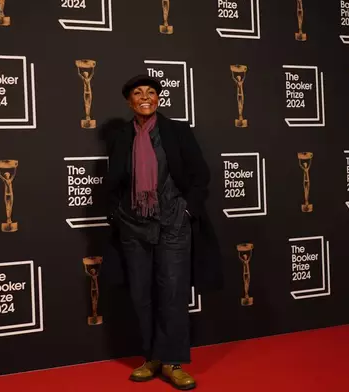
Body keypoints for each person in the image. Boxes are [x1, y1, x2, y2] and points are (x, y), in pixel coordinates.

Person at [104, 75, 222, 390]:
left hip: (173, 224)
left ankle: (172, 362)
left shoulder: (177, 131)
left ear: (158, 99)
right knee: (142, 295)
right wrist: (117, 214)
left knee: (172, 293)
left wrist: (186, 212)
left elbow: (201, 175)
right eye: (138, 93)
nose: (145, 97)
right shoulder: (120, 137)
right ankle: (152, 357)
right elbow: (113, 181)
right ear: (129, 101)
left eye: (151, 92)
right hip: (133, 226)